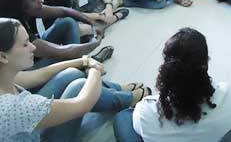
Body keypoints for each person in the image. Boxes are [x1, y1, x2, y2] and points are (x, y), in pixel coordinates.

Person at [0, 18, 151, 142]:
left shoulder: (4, 75)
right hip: (38, 136)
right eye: (25, 44)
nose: (33, 47)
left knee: (71, 73)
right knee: (80, 87)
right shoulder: (13, 108)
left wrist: (84, 61)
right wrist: (94, 70)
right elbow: (82, 105)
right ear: (3, 56)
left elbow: (41, 74)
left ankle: (116, 90)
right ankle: (127, 98)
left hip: (26, 124)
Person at [113, 27, 231, 141]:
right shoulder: (228, 92)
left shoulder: (146, 111)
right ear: (205, 64)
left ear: (167, 68)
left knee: (123, 118)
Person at [0, 0, 108, 68]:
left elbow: (64, 11)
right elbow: (62, 51)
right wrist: (94, 43)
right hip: (26, 70)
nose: (41, 0)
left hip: (36, 52)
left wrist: (92, 24)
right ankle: (83, 63)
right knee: (68, 65)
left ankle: (83, 62)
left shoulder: (25, 8)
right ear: (19, 5)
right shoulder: (11, 30)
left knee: (67, 22)